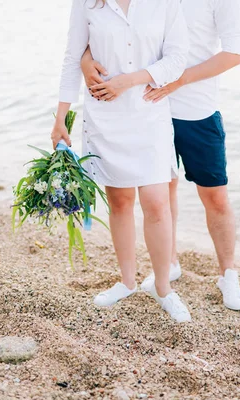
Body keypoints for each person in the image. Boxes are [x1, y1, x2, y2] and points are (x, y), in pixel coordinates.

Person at [82, 0, 240, 310]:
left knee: (215, 197)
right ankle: (170, 264)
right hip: (148, 111)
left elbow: (234, 53)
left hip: (196, 111)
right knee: (162, 196)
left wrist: (179, 79)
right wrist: (85, 60)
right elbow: (109, 29)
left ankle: (228, 273)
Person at [51, 0, 192, 322]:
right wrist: (61, 118)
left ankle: (163, 288)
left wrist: (127, 80)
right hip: (105, 116)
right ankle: (127, 281)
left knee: (157, 204)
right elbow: (73, 58)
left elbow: (178, 59)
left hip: (148, 111)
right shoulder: (88, 3)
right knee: (120, 201)